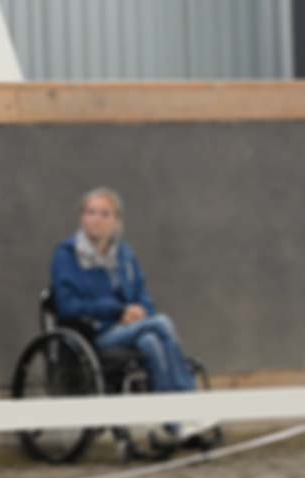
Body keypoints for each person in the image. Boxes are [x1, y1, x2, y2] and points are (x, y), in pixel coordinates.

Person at [49, 187, 211, 441]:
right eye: (91, 212)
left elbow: (141, 293)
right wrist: (118, 310)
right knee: (163, 324)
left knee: (152, 340)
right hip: (94, 334)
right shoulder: (67, 255)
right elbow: (67, 305)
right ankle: (189, 408)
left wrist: (139, 312)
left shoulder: (125, 256)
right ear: (82, 217)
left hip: (131, 329)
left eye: (104, 214)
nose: (96, 219)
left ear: (116, 222)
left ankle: (176, 423)